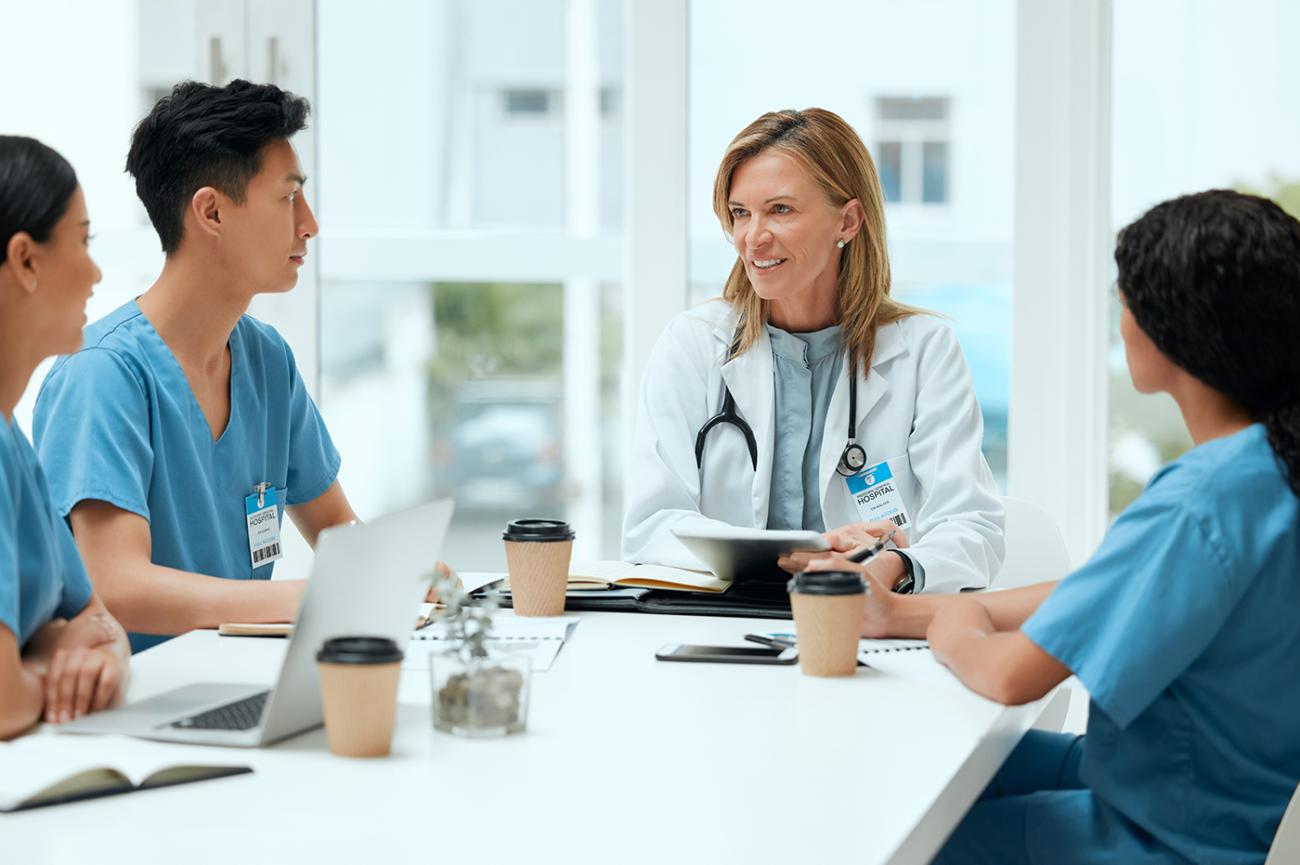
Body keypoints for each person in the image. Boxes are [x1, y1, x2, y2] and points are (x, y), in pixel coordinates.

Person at [816, 190, 1300, 864]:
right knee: (936, 763)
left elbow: (1011, 676)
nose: (1119, 316)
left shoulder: (1201, 499)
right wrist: (895, 611)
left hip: (1174, 835)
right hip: (1225, 794)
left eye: (1124, 298)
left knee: (876, 830)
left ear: (1172, 327)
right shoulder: (1267, 471)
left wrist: (950, 626)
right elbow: (1101, 590)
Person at [33, 80, 358, 653]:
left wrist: (405, 577)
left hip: (236, 679)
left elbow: (339, 532)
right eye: (288, 198)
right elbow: (116, 584)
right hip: (137, 706)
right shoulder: (102, 374)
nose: (308, 224)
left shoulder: (267, 360)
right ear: (210, 211)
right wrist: (309, 599)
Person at [622, 108, 1003, 593]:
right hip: (721, 626)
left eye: (780, 210)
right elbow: (652, 524)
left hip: (865, 621)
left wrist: (896, 566)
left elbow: (973, 527)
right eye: (741, 213)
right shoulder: (694, 344)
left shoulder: (924, 351)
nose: (753, 237)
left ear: (847, 220)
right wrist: (805, 553)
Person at [0, 136, 131, 737]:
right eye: (82, 241)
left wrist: (92, 653)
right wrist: (53, 655)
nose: (96, 270)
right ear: (26, 261)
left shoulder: (12, 442)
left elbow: (101, 623)